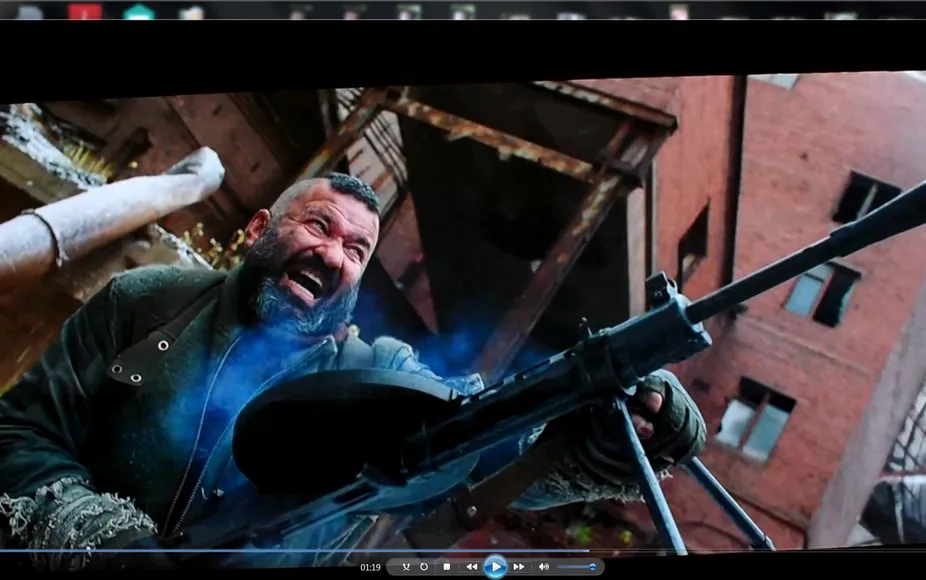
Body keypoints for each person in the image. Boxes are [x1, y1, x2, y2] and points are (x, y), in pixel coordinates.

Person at [0, 148, 707, 570]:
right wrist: (99, 540)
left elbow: (484, 449)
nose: (334, 254)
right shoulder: (148, 301)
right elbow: (20, 434)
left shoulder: (378, 377)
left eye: (358, 250)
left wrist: (605, 436)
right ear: (258, 230)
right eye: (319, 226)